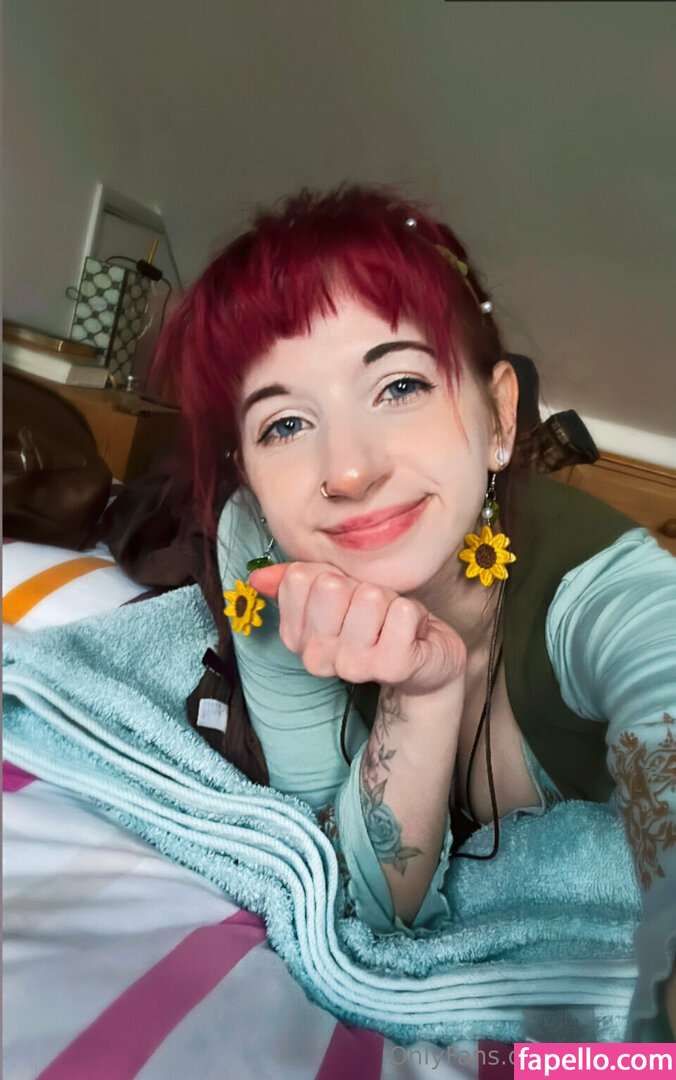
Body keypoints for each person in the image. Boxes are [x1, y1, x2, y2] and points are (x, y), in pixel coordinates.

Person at [153, 183, 676, 1040]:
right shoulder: (264, 546)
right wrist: (423, 696)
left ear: (499, 415)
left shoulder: (608, 595)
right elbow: (352, 895)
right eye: (283, 425)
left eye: (399, 385)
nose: (348, 470)